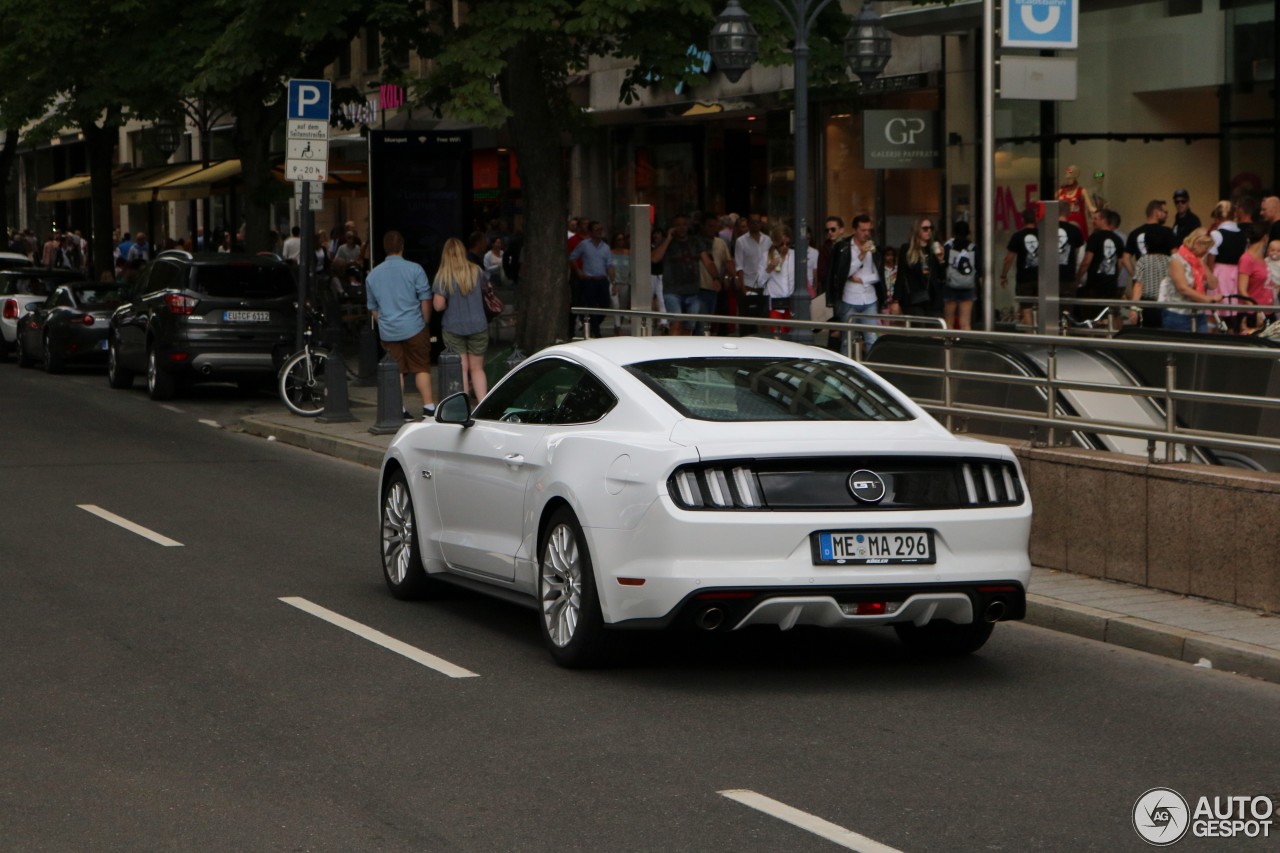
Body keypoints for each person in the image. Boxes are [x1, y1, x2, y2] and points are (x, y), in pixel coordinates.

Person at [365, 230, 435, 419]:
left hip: (389, 331)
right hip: (415, 326)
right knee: (421, 367)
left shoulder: (373, 275)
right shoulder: (415, 269)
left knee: (397, 371)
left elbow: (373, 308)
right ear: (402, 247)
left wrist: (385, 323)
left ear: (385, 249)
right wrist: (425, 321)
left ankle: (400, 409)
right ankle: (429, 407)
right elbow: (425, 299)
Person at [432, 237, 490, 400]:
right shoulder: (476, 271)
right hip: (478, 324)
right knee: (477, 369)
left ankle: (463, 408)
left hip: (453, 326)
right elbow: (487, 290)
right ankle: (481, 404)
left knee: (461, 369)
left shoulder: (443, 276)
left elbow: (438, 305)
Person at [826, 214, 886, 351]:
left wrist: (861, 279)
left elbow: (878, 275)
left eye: (869, 230)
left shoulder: (874, 248)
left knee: (871, 339)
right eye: (863, 230)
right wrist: (861, 256)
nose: (866, 233)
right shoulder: (844, 247)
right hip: (849, 298)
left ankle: (873, 369)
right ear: (854, 230)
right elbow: (843, 273)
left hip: (869, 298)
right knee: (847, 340)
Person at [652, 214, 706, 335]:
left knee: (689, 327)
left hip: (692, 290)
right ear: (673, 227)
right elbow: (655, 258)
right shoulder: (665, 242)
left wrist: (716, 277)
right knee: (676, 323)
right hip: (672, 290)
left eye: (684, 225)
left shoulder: (695, 241)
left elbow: (706, 260)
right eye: (678, 225)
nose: (681, 228)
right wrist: (668, 239)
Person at [1159, 228, 1221, 332]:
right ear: (1196, 243)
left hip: (1198, 313)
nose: (1206, 251)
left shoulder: (1199, 262)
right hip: (1178, 314)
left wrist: (1202, 263)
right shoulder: (1177, 260)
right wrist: (1207, 299)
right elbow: (1183, 288)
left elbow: (1213, 284)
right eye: (1205, 248)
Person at [568, 220, 616, 337]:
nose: (599, 232)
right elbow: (572, 257)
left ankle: (592, 325)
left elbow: (609, 265)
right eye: (596, 230)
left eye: (600, 230)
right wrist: (578, 271)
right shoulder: (584, 244)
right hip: (589, 280)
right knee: (591, 305)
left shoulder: (605, 247)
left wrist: (613, 282)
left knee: (605, 304)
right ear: (590, 232)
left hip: (602, 279)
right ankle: (596, 331)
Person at [1076, 209, 1124, 317]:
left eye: (1096, 219)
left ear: (1104, 220)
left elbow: (1087, 261)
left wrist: (1078, 277)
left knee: (1092, 316)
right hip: (1111, 285)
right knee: (1109, 315)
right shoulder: (1118, 239)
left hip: (1095, 285)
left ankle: (1094, 334)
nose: (1093, 221)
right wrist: (1114, 276)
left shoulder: (1094, 237)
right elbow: (1120, 263)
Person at [895, 216, 944, 317]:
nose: (929, 231)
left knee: (934, 329)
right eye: (925, 229)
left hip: (932, 298)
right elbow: (901, 275)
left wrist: (941, 260)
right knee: (919, 328)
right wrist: (896, 300)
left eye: (931, 228)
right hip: (913, 298)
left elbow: (942, 276)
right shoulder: (907, 249)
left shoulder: (933, 249)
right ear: (917, 230)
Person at [1001, 207, 1041, 328]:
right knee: (1041, 307)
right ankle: (1042, 334)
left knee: (1026, 309)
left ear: (1023, 220)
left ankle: (1030, 338)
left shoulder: (1018, 236)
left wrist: (1004, 275)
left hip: (1024, 278)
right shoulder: (1042, 234)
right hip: (1041, 278)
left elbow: (1008, 259)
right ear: (1035, 220)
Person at [1127, 227, 1174, 328]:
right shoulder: (1171, 261)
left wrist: (1133, 308)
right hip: (1168, 305)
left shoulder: (1143, 261)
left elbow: (1138, 285)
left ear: (1146, 245)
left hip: (1148, 305)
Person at [733, 213, 772, 333]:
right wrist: (743, 288)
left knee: (764, 319)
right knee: (748, 321)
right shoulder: (741, 241)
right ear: (749, 224)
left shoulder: (768, 240)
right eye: (753, 222)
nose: (756, 224)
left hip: (765, 285)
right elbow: (739, 266)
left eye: (758, 222)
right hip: (749, 284)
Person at [698, 214, 736, 334]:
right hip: (699, 288)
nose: (712, 229)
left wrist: (730, 277)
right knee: (701, 323)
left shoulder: (721, 243)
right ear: (703, 226)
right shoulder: (696, 242)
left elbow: (728, 262)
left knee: (710, 321)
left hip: (715, 288)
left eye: (715, 226)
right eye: (709, 226)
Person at [1122, 200, 1175, 280]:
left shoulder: (1134, 233)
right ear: (1156, 212)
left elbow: (1125, 258)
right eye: (1165, 212)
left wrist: (1135, 276)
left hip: (1142, 281)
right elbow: (1175, 255)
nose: (1166, 216)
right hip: (1162, 280)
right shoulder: (1167, 232)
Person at [758, 224, 796, 331]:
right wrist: (769, 269)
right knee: (777, 336)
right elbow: (760, 282)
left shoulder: (794, 255)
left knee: (789, 336)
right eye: (781, 244)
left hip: (790, 304)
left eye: (787, 244)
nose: (784, 247)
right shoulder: (767, 256)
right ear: (775, 243)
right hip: (774, 304)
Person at [942, 220, 979, 330]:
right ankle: (966, 345)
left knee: (949, 322)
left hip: (950, 286)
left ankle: (949, 345)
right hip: (968, 287)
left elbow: (943, 265)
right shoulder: (973, 248)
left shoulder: (948, 247)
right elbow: (979, 269)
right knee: (965, 323)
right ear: (969, 233)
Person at [1057, 165, 1096, 238]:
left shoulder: (1082, 191)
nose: (1066, 172)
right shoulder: (1061, 191)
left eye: (1069, 171)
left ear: (1075, 174)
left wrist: (1099, 212)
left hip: (1077, 221)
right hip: (1064, 220)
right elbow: (1050, 203)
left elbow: (1090, 207)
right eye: (1066, 170)